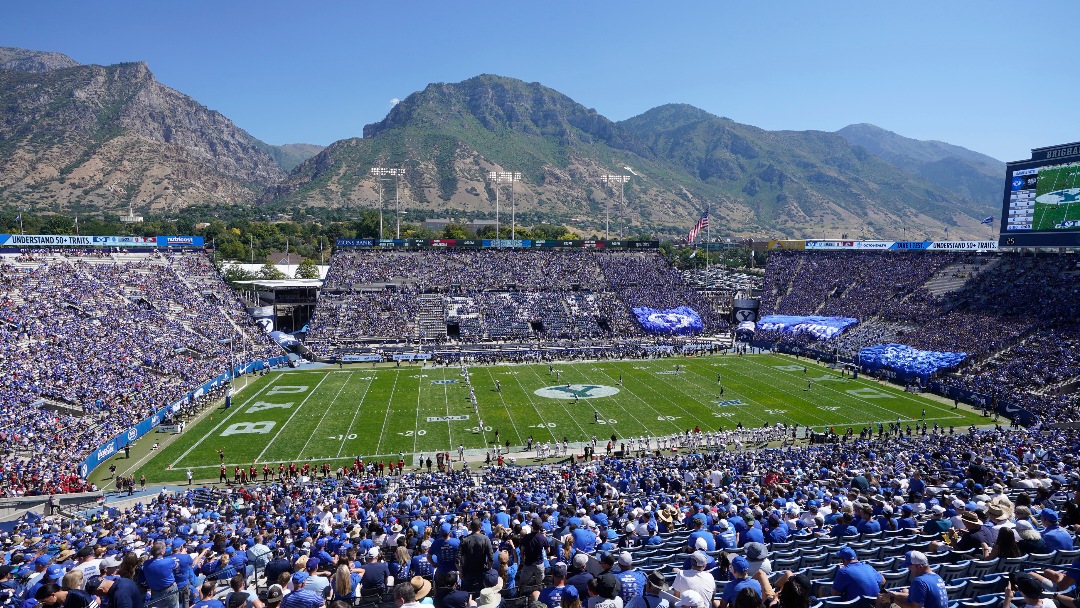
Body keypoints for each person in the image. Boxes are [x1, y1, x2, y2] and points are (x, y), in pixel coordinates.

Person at [879, 551, 947, 608]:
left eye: (910, 567)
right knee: (905, 591)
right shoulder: (937, 577)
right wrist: (893, 594)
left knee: (882, 600)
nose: (909, 570)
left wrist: (892, 599)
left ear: (920, 566)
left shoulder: (920, 581)